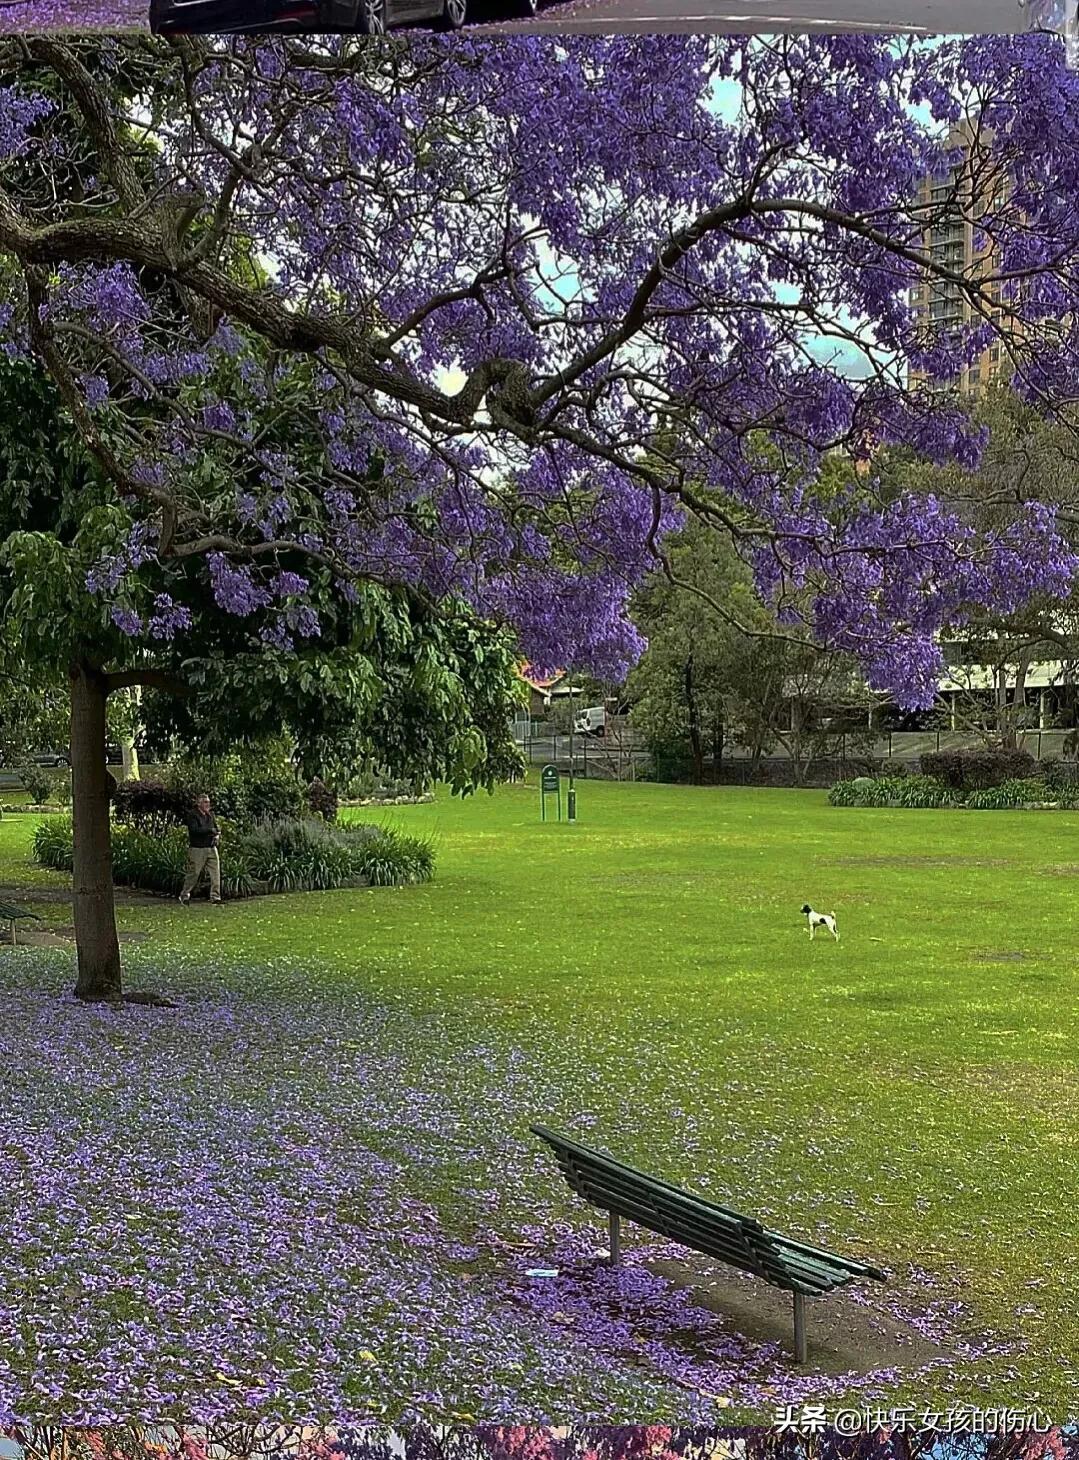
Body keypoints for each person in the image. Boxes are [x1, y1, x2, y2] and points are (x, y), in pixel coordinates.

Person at [179, 792, 222, 905]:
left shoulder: (210, 815)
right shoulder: (193, 815)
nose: (208, 804)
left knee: (215, 873)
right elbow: (195, 830)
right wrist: (209, 831)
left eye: (208, 802)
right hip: (198, 849)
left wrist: (217, 835)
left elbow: (216, 828)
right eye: (205, 802)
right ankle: (184, 894)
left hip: (211, 847)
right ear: (199, 803)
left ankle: (215, 897)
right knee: (194, 873)